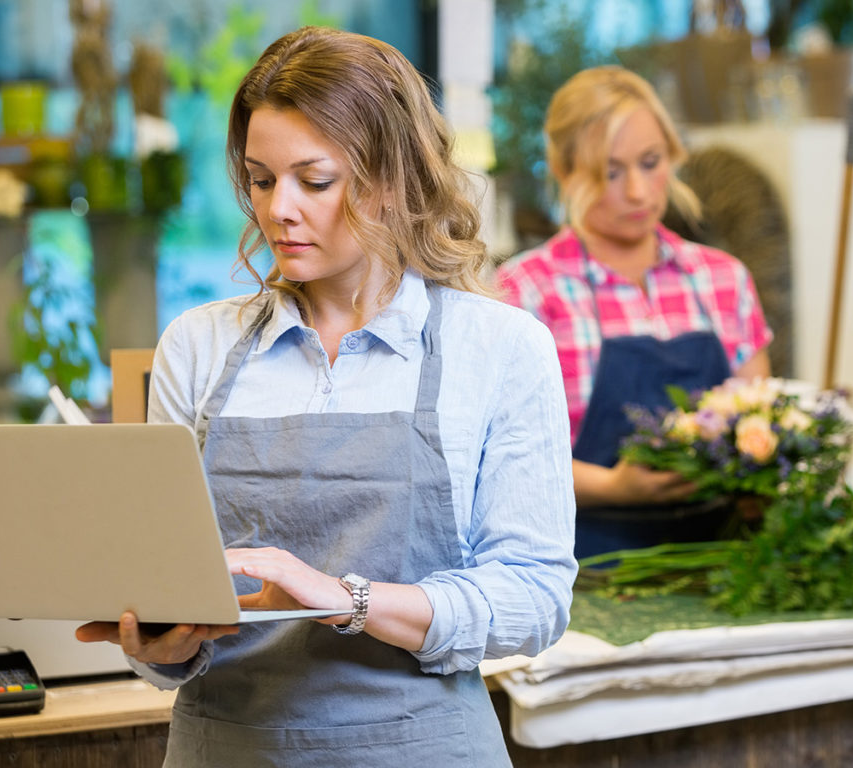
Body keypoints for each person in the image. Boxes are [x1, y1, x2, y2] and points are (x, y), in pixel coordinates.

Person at [76, 26, 576, 767]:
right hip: (224, 748)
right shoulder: (198, 346)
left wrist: (346, 597)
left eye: (314, 180)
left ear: (391, 179)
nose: (279, 209)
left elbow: (535, 599)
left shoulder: (498, 346)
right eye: (259, 177)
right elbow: (165, 607)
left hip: (424, 749)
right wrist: (160, 645)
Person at [495, 65, 772, 559]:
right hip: (581, 569)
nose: (639, 192)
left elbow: (760, 427)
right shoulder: (524, 293)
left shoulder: (723, 280)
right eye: (611, 172)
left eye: (651, 162)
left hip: (724, 562)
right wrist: (612, 487)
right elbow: (499, 465)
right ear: (564, 171)